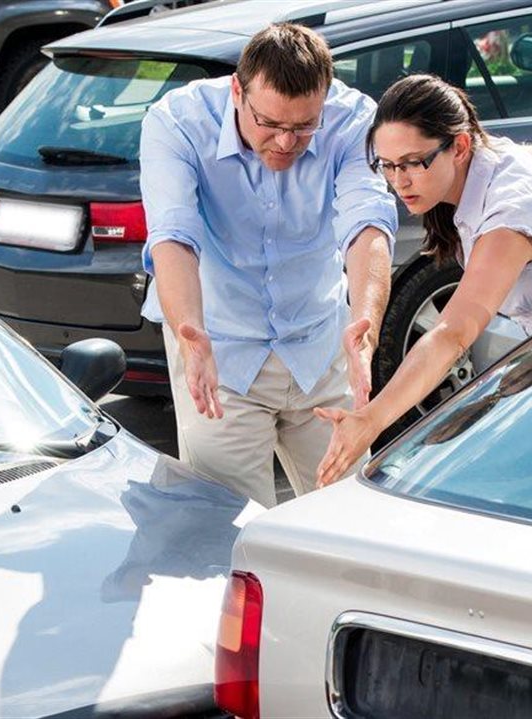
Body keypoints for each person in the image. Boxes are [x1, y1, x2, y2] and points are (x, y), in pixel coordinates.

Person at [314, 73, 532, 486]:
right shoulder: (493, 156)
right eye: (387, 165)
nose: (399, 181)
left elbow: (452, 333)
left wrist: (370, 420)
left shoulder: (511, 213)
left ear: (459, 146)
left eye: (413, 163)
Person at [139, 23, 398, 508]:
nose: (285, 142)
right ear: (238, 90)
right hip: (218, 356)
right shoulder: (176, 121)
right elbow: (173, 234)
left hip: (320, 347)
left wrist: (365, 329)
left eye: (303, 127)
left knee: (348, 518)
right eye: (270, 124)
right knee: (230, 537)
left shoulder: (354, 119)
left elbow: (368, 223)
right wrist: (189, 331)